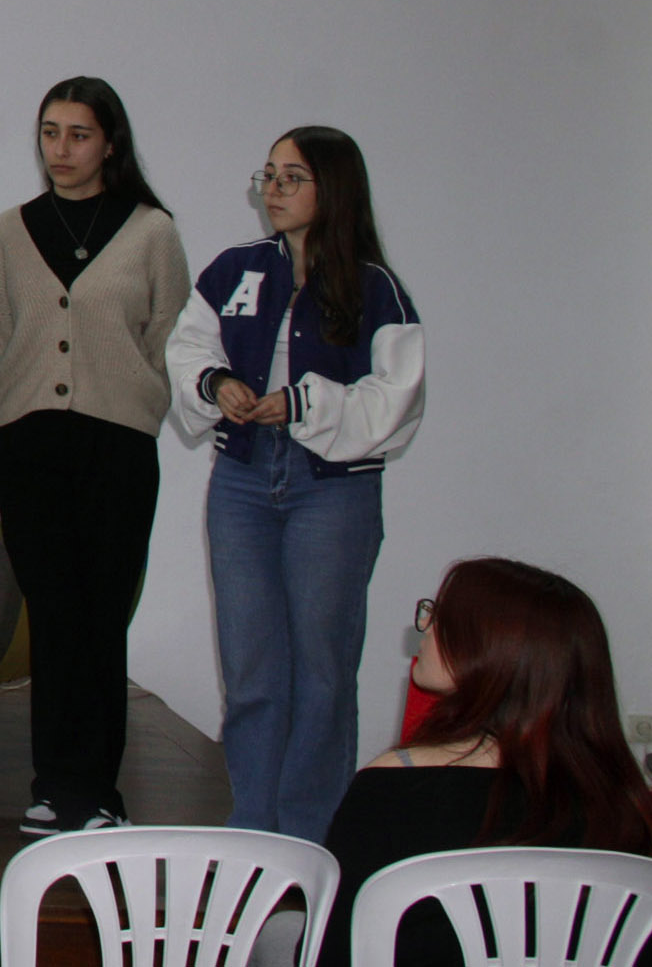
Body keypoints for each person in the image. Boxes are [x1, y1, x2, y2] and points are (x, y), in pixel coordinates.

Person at [168, 125, 424, 840]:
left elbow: (397, 399)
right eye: (268, 176)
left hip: (332, 488)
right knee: (251, 666)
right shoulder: (236, 270)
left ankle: (310, 837)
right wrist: (215, 383)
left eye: (291, 178)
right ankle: (254, 827)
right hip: (243, 479)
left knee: (322, 671)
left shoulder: (375, 288)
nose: (273, 191)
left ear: (332, 188)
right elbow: (188, 348)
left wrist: (305, 404)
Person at [0, 76, 190, 835]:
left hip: (116, 445)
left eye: (78, 135)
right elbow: (7, 335)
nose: (61, 149)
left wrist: (130, 400)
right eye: (50, 133)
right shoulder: (11, 231)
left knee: (101, 617)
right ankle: (52, 786)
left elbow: (168, 339)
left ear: (109, 144)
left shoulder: (152, 232)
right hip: (30, 445)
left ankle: (97, 792)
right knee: (55, 617)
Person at [312, 560, 652, 967]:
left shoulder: (390, 790)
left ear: (490, 650)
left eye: (440, 615)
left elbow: (333, 952)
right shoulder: (627, 802)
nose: (424, 626)